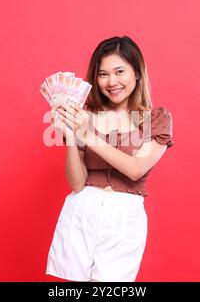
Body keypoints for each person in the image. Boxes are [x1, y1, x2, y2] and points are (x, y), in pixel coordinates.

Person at [46, 36, 174, 282]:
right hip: (81, 209)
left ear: (137, 73)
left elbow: (136, 169)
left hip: (123, 217)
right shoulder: (85, 116)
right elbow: (76, 184)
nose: (111, 81)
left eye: (119, 72)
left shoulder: (156, 119)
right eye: (103, 74)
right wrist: (72, 136)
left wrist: (87, 134)